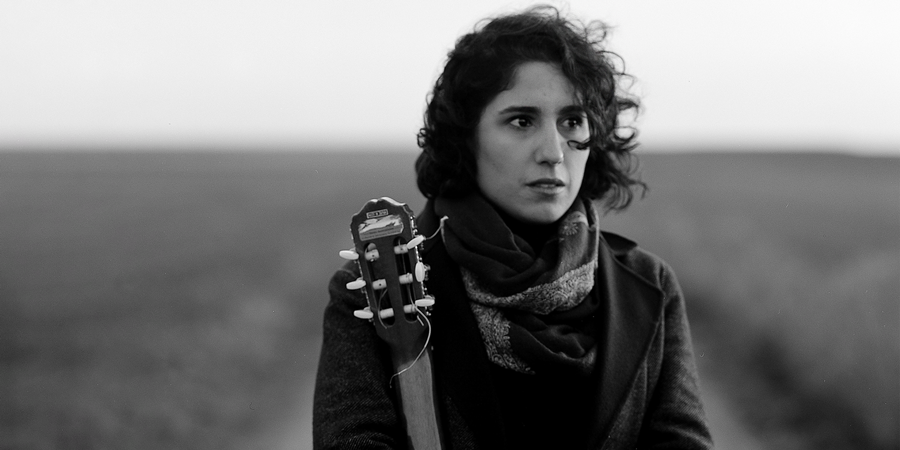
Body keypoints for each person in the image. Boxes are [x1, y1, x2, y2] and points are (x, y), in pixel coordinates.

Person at [314, 6, 713, 449]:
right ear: (466, 137)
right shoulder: (376, 286)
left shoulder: (649, 284)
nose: (553, 152)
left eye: (572, 122)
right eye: (522, 121)